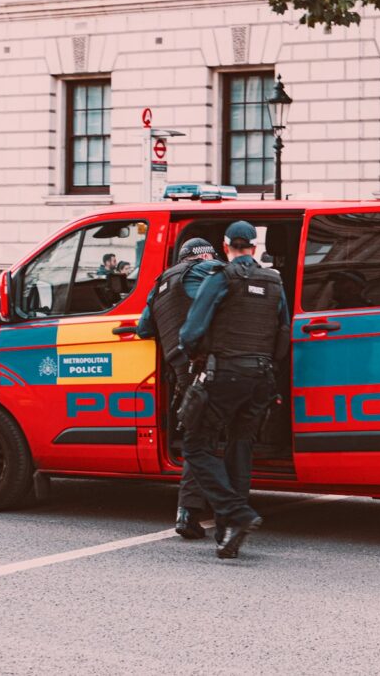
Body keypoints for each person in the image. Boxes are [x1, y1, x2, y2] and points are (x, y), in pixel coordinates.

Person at [178, 220, 290, 559]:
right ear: (254, 248)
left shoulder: (221, 278)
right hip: (261, 378)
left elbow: (191, 330)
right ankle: (228, 532)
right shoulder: (274, 281)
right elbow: (283, 332)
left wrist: (194, 353)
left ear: (226, 247)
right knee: (240, 446)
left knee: (196, 444)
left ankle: (236, 512)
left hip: (225, 373)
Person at [136, 238, 223, 540]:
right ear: (205, 255)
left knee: (198, 438)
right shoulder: (209, 268)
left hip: (182, 374)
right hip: (212, 369)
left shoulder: (160, 282)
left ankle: (194, 510)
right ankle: (210, 511)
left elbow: (143, 329)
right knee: (218, 439)